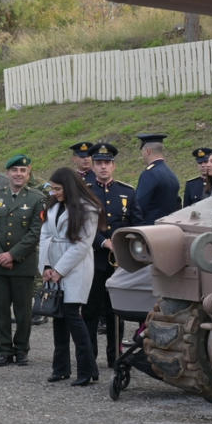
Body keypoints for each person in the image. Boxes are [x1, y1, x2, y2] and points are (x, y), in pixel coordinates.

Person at [40, 167, 104, 387]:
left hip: (76, 268)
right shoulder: (54, 206)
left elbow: (82, 245)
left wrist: (59, 270)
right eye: (53, 188)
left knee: (72, 315)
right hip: (54, 265)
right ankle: (61, 368)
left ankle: (87, 368)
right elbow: (45, 236)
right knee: (58, 317)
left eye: (58, 188)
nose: (54, 192)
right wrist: (46, 266)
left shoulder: (88, 209)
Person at [0, 154, 44, 367]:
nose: (18, 174)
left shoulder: (37, 198)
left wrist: (12, 255)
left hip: (23, 264)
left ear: (28, 174)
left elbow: (35, 232)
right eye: (15, 170)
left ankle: (21, 349)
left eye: (23, 171)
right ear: (8, 172)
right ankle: (3, 349)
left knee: (23, 312)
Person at [85, 143, 137, 368]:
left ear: (114, 165)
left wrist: (124, 243)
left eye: (107, 163)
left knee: (115, 312)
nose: (103, 167)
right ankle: (89, 357)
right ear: (93, 166)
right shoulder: (85, 191)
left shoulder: (127, 192)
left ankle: (115, 356)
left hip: (119, 262)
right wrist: (102, 241)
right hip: (93, 260)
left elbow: (137, 222)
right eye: (99, 163)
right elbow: (79, 225)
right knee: (90, 311)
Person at [135, 133, 181, 224]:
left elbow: (139, 206)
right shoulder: (171, 174)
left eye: (142, 151)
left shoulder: (149, 174)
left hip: (150, 231)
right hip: (169, 227)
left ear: (148, 151)